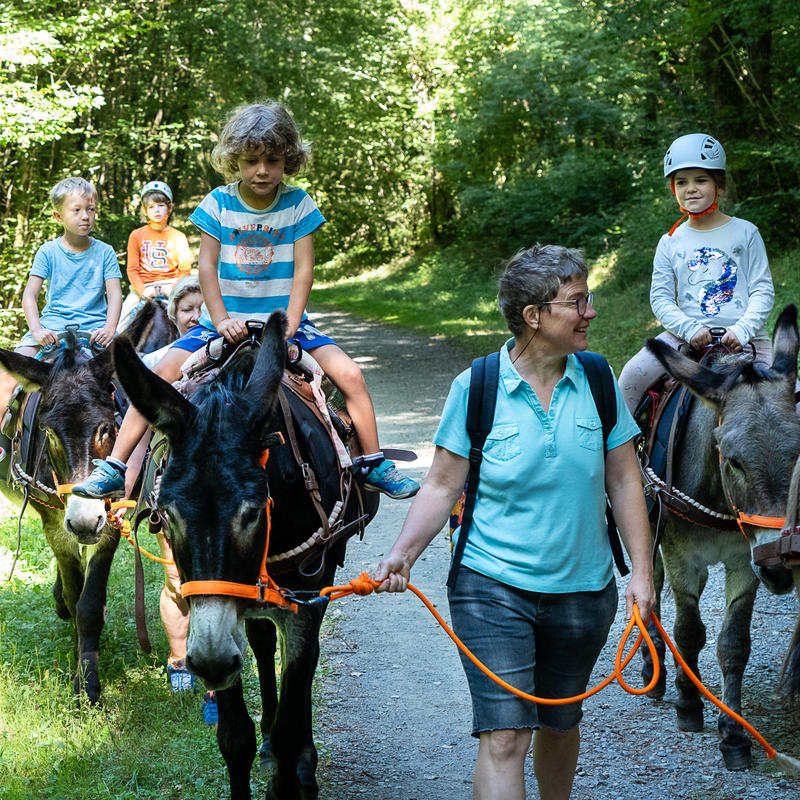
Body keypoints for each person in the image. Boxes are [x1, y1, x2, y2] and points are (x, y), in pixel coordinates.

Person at [373, 244, 655, 800]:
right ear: (534, 316)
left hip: (584, 588)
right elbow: (441, 484)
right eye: (578, 302)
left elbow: (624, 481)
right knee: (505, 737)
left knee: (560, 721)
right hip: (491, 585)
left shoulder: (599, 380)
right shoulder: (476, 387)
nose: (590, 312)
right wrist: (403, 552)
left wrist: (642, 575)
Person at [72, 100, 418, 502]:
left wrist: (287, 327)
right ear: (235, 158)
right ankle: (115, 467)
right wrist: (219, 321)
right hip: (221, 322)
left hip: (288, 322)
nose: (262, 170)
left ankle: (372, 461)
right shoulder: (218, 203)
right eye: (252, 160)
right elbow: (206, 268)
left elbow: (304, 272)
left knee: (352, 375)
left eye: (273, 160)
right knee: (157, 378)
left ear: (288, 159)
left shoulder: (298, 204)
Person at [618, 133, 774, 413]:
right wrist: (688, 328)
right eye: (681, 181)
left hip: (748, 338)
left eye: (700, 180)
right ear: (673, 188)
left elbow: (762, 290)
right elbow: (661, 298)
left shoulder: (746, 233)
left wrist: (742, 329)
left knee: (792, 395)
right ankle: (623, 449)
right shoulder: (670, 241)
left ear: (720, 185)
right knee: (631, 375)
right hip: (682, 338)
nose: (690, 188)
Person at [0, 177, 122, 411]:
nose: (86, 216)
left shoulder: (105, 252)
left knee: (135, 377)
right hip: (53, 327)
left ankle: (138, 444)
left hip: (95, 329)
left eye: (91, 209)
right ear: (58, 217)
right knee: (7, 375)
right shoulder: (47, 252)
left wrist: (109, 328)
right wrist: (37, 330)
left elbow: (115, 294)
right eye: (76, 210)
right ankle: (4, 443)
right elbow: (30, 296)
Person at [118, 180, 193, 328]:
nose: (156, 210)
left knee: (191, 315)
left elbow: (185, 270)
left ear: (169, 207)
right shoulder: (136, 235)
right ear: (145, 211)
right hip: (144, 286)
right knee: (121, 321)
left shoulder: (178, 237)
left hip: (171, 285)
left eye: (160, 205)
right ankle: (111, 346)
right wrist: (142, 290)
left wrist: (174, 288)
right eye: (151, 207)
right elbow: (132, 269)